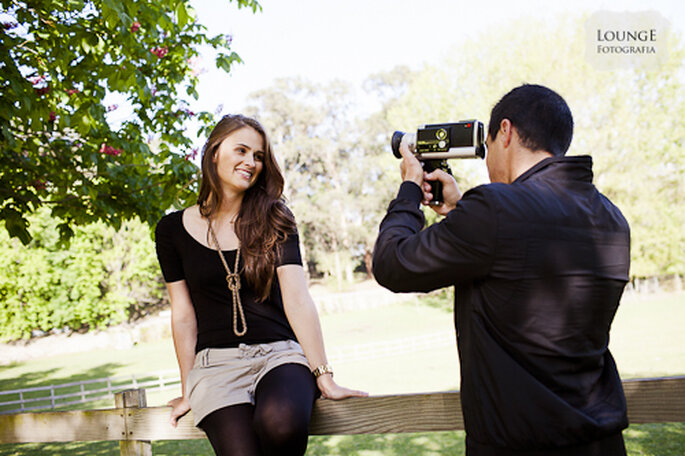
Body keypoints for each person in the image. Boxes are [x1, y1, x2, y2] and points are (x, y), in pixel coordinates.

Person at [372, 84, 630, 455]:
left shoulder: (495, 209)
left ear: (505, 132)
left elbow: (391, 263)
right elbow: (523, 267)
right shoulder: (611, 218)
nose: (489, 158)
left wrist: (410, 190)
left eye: (488, 146)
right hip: (601, 442)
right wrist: (461, 212)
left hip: (518, 444)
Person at [155, 114, 366, 456]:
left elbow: (297, 299)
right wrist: (187, 388)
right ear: (213, 152)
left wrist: (323, 374)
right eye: (241, 150)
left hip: (279, 356)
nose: (251, 162)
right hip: (214, 367)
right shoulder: (171, 230)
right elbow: (182, 315)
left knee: (280, 422)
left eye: (258, 156)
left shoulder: (275, 218)